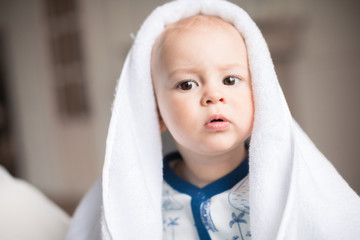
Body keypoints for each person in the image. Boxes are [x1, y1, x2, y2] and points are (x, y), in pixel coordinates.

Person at [66, 0, 360, 239]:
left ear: (261, 94)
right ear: (155, 112)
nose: (213, 95)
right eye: (187, 84)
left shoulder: (288, 183)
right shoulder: (144, 195)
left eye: (231, 79)